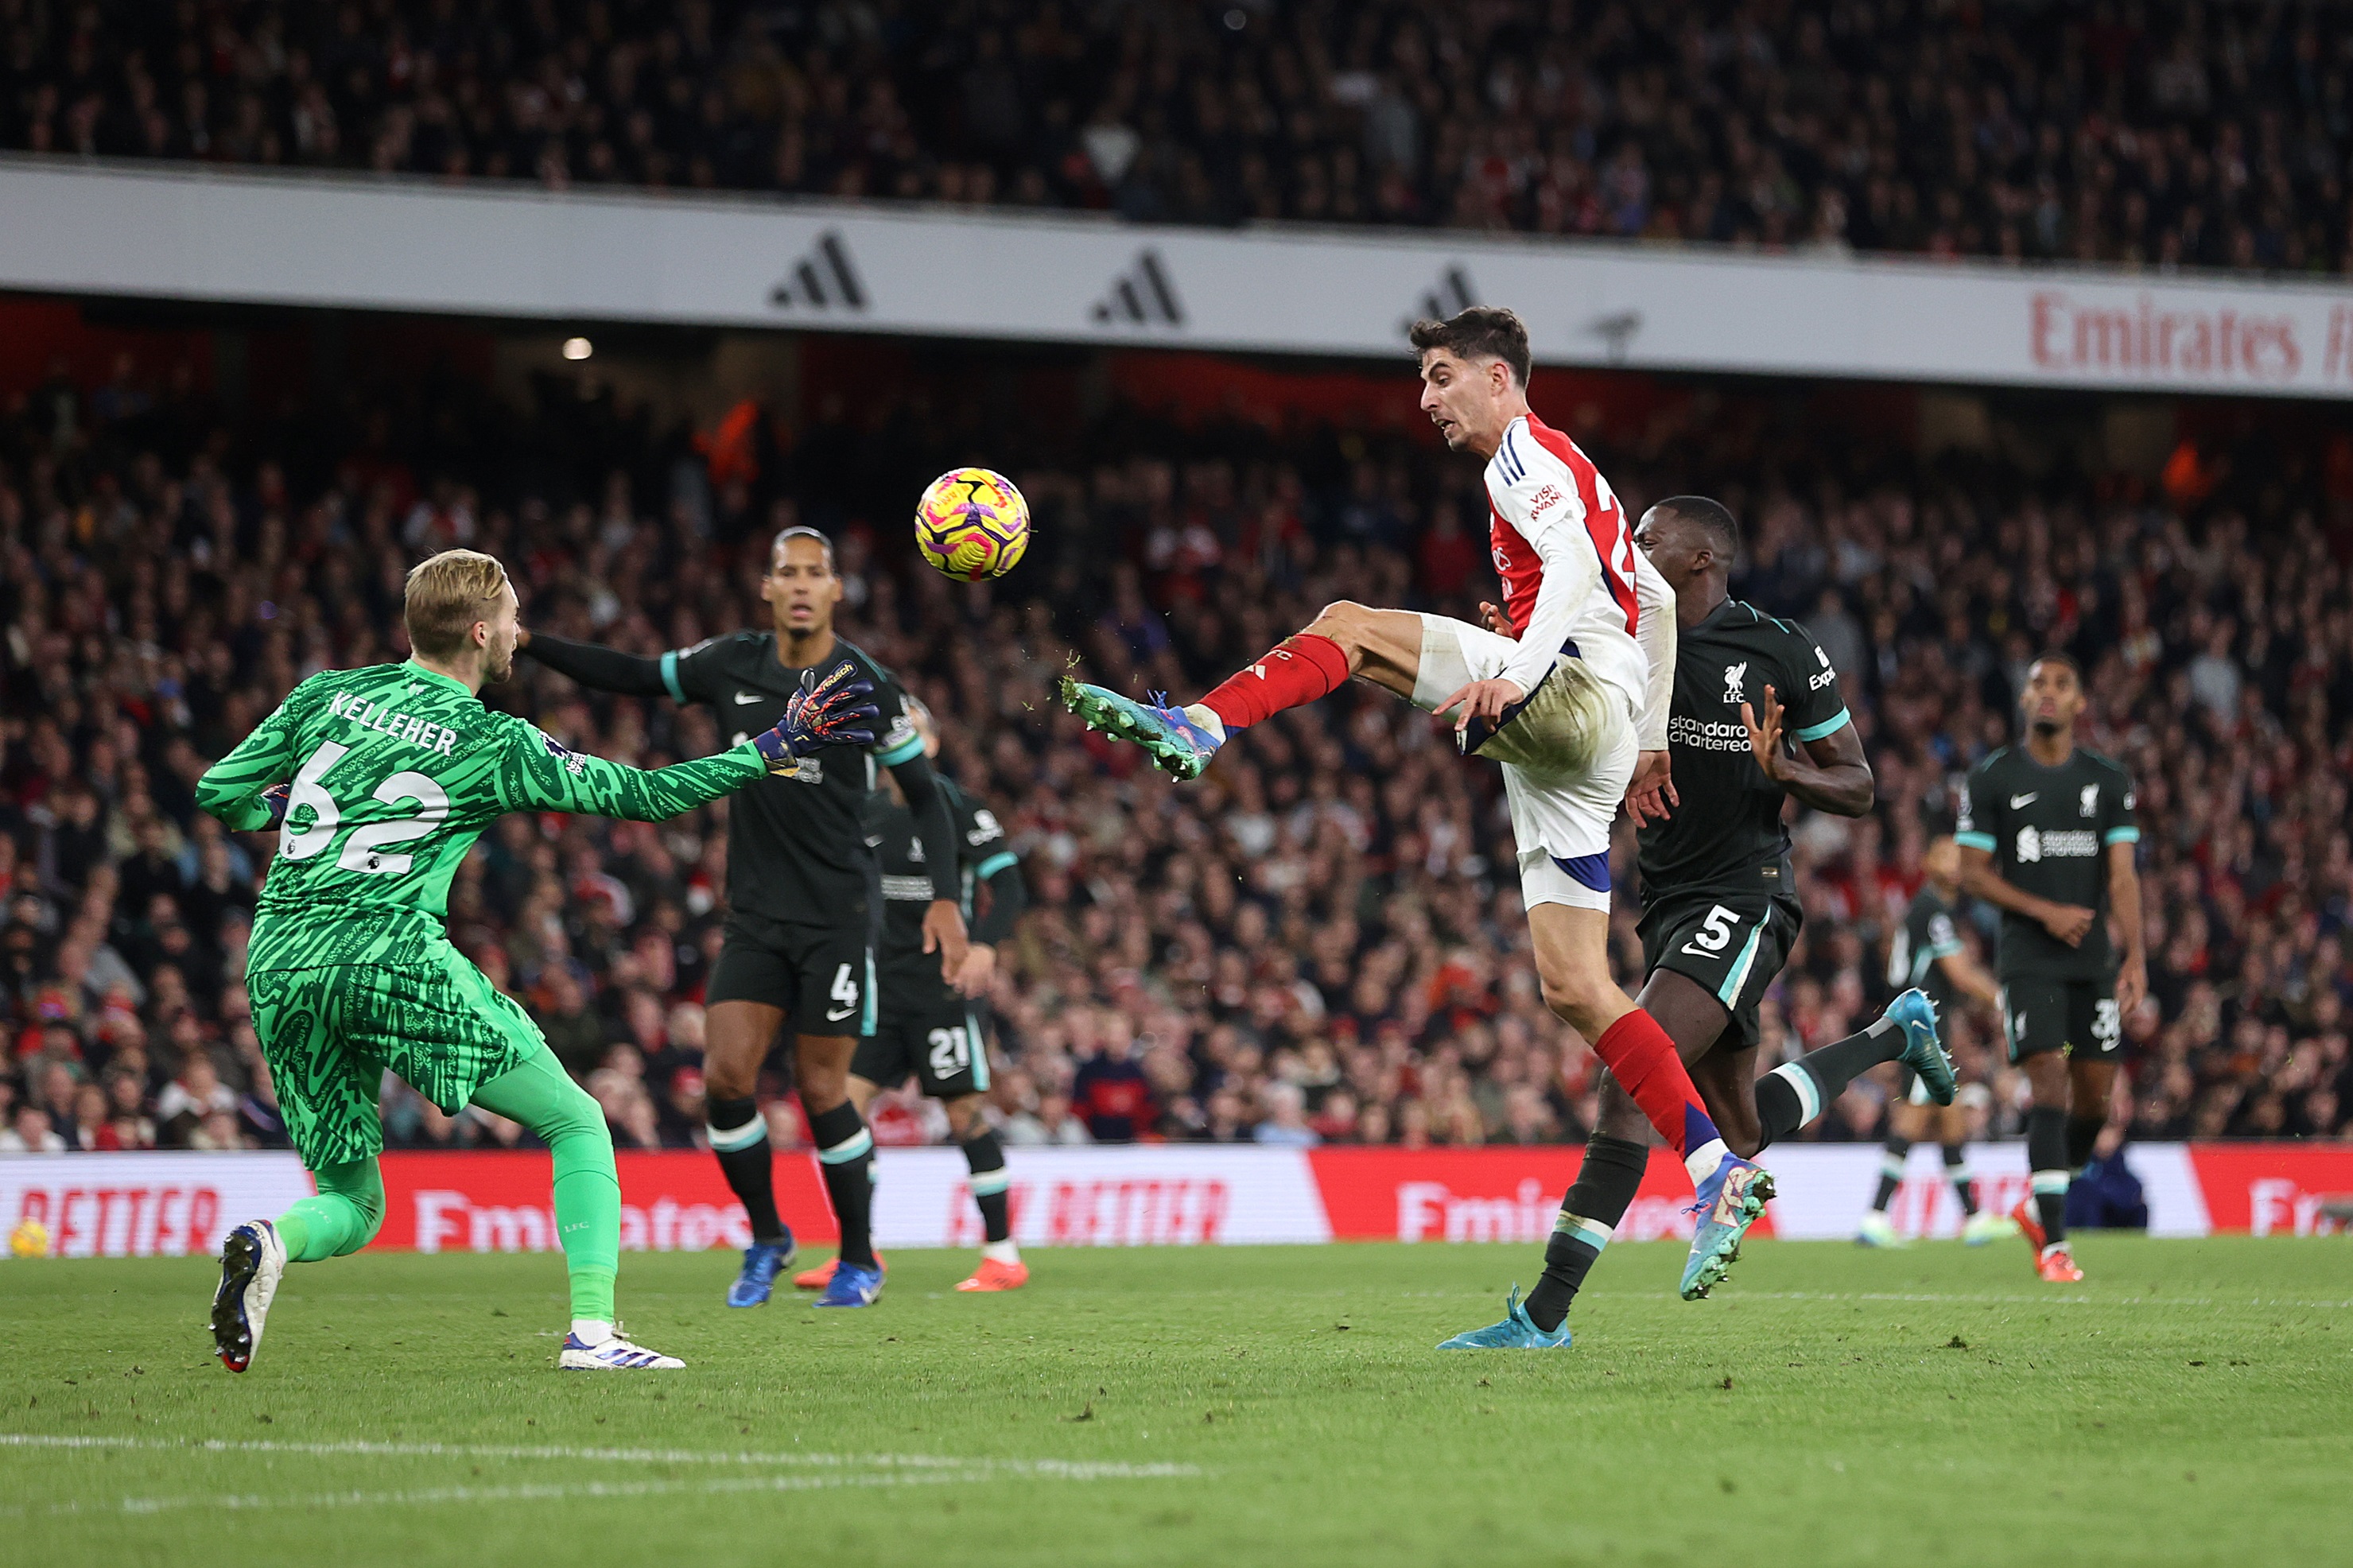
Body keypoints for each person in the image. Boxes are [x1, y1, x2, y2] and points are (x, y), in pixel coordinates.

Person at [1060, 305, 1772, 1327]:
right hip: (1594, 725)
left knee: (1348, 625)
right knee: (1577, 986)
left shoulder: (1523, 459)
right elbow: (1652, 602)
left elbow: (1574, 568)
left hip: (1565, 696)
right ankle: (1715, 1171)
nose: (1426, 400)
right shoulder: (1568, 465)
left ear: (1499, 377)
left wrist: (1521, 672)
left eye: (1441, 378)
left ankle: (1207, 723)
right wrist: (1648, 737)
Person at [200, 549, 875, 1373]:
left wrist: (281, 811)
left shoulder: (325, 692)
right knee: (575, 1119)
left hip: (279, 960)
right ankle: (593, 1333)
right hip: (386, 953)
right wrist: (763, 747)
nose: (521, 632)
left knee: (352, 1202)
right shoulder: (492, 739)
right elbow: (644, 796)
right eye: (514, 618)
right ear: (481, 632)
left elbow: (217, 791)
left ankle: (269, 1238)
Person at [1504, 496, 1951, 1342]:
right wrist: (1519, 650)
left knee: (1632, 1076)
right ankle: (1896, 1034)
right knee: (1740, 1126)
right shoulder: (1618, 634)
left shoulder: (1778, 647)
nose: (1630, 548)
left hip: (1744, 895)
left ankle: (1544, 1313)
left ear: (1702, 559)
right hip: (1664, 902)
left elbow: (1857, 785)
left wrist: (1784, 768)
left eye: (1648, 539)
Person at [520, 526, 969, 1310]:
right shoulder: (729, 662)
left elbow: (928, 798)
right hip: (756, 914)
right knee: (724, 1083)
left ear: (835, 591)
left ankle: (859, 1258)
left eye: (815, 574)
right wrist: (531, 644)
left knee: (821, 1091)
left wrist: (943, 900)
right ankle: (767, 1235)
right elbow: (630, 676)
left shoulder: (867, 683)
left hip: (837, 915)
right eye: (786, 573)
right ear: (767, 588)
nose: (800, 585)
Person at [792, 697, 1031, 1295]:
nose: (898, 740)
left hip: (943, 991)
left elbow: (1008, 887)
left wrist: (985, 946)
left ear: (931, 743)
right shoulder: (867, 810)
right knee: (842, 1106)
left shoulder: (960, 808)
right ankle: (857, 1251)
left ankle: (1003, 1254)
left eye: (913, 730)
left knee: (963, 1114)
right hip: (881, 988)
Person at [1956, 653, 2145, 1283]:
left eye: (2061, 684)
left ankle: (2038, 1209)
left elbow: (2121, 875)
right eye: (2037, 682)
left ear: (2079, 702)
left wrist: (2135, 955)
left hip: (2091, 960)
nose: (2047, 693)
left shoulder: (2108, 780)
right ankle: (2055, 1247)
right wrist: (2046, 911)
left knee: (2094, 1100)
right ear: (2023, 697)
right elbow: (1970, 872)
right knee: (2049, 1086)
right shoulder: (1992, 778)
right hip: (2028, 959)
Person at [1858, 835, 2012, 1248]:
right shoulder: (1932, 909)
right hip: (1920, 1026)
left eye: (1961, 857)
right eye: (1947, 855)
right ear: (1927, 862)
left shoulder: (1933, 908)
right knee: (1913, 1116)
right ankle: (1875, 1217)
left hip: (1924, 1024)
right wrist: (2003, 999)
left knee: (1950, 1119)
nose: (1957, 863)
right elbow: (1960, 974)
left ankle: (1974, 1218)